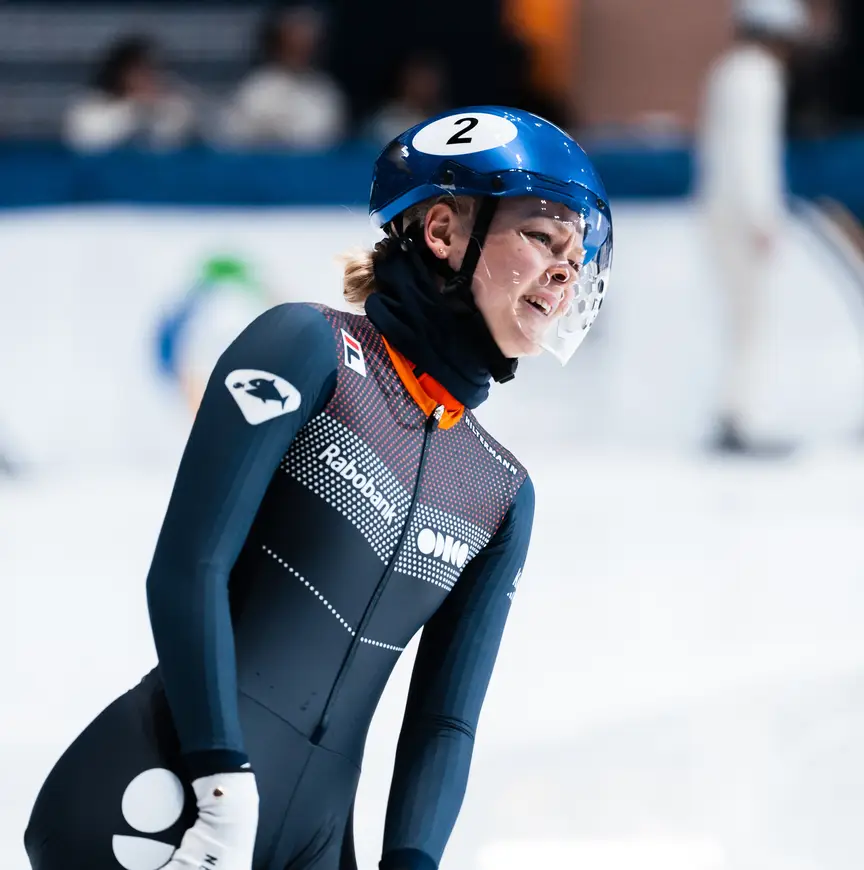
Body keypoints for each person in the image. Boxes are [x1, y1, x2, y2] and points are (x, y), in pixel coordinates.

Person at [24, 105, 612, 870]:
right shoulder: (310, 350)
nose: (565, 271)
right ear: (442, 231)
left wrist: (411, 861)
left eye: (577, 252)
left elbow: (444, 721)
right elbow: (185, 569)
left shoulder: (499, 491)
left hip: (315, 844)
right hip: (161, 803)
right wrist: (220, 787)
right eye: (540, 235)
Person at [695, 0, 810, 455]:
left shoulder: (729, 70)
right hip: (742, 216)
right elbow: (751, 155)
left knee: (742, 320)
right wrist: (762, 217)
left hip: (721, 211)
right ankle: (741, 418)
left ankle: (737, 414)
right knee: (752, 321)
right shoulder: (758, 76)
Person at [219, 3, 346, 150]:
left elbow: (328, 138)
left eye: (307, 44)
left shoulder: (326, 93)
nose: (300, 50)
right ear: (278, 42)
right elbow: (231, 136)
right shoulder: (255, 88)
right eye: (294, 41)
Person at [63, 35, 197, 152]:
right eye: (140, 71)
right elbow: (87, 142)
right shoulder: (88, 107)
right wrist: (134, 109)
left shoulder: (173, 107)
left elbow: (171, 146)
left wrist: (156, 111)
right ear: (121, 72)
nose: (148, 78)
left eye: (153, 71)